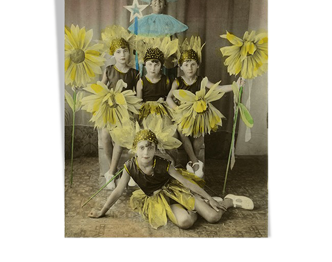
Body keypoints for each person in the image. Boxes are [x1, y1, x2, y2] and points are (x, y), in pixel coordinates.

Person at [88, 128, 254, 230]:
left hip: (178, 191)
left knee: (213, 217)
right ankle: (195, 210)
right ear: (135, 150)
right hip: (162, 200)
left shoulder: (163, 164)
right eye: (142, 148)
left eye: (150, 147)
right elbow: (117, 191)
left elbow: (186, 182)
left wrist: (210, 199)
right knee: (185, 222)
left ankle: (228, 201)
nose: (146, 152)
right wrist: (102, 211)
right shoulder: (130, 166)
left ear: (155, 149)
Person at [166, 46, 244, 178]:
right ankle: (195, 162)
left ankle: (192, 161)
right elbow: (168, 98)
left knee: (198, 139)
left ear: (198, 66)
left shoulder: (202, 80)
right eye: (186, 65)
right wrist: (177, 109)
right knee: (183, 133)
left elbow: (217, 88)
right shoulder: (177, 81)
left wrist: (235, 86)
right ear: (181, 67)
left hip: (198, 114)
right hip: (183, 115)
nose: (190, 68)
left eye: (193, 64)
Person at [100, 37, 139, 189]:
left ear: (129, 53)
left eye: (125, 51)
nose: (122, 55)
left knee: (120, 136)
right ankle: (113, 169)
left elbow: (138, 94)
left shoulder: (134, 73)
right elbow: (101, 89)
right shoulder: (109, 70)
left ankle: (111, 172)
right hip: (112, 108)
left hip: (127, 111)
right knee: (105, 134)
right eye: (118, 52)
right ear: (113, 54)